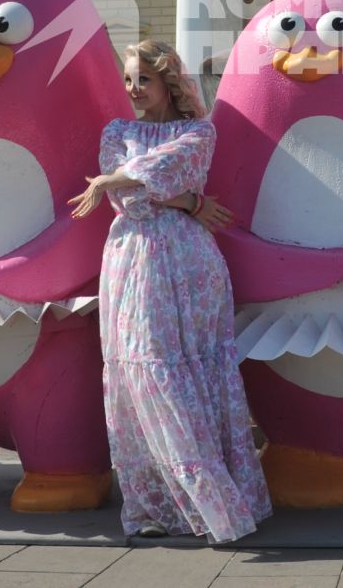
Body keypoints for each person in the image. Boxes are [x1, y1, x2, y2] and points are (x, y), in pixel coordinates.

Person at [67, 39, 271, 542]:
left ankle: (213, 503)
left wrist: (113, 181)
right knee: (142, 367)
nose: (134, 89)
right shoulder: (118, 131)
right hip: (132, 258)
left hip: (187, 263)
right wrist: (187, 200)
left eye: (145, 79)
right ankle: (158, 505)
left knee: (189, 368)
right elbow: (130, 202)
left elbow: (141, 178)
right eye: (130, 79)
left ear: (170, 82)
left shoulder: (198, 132)